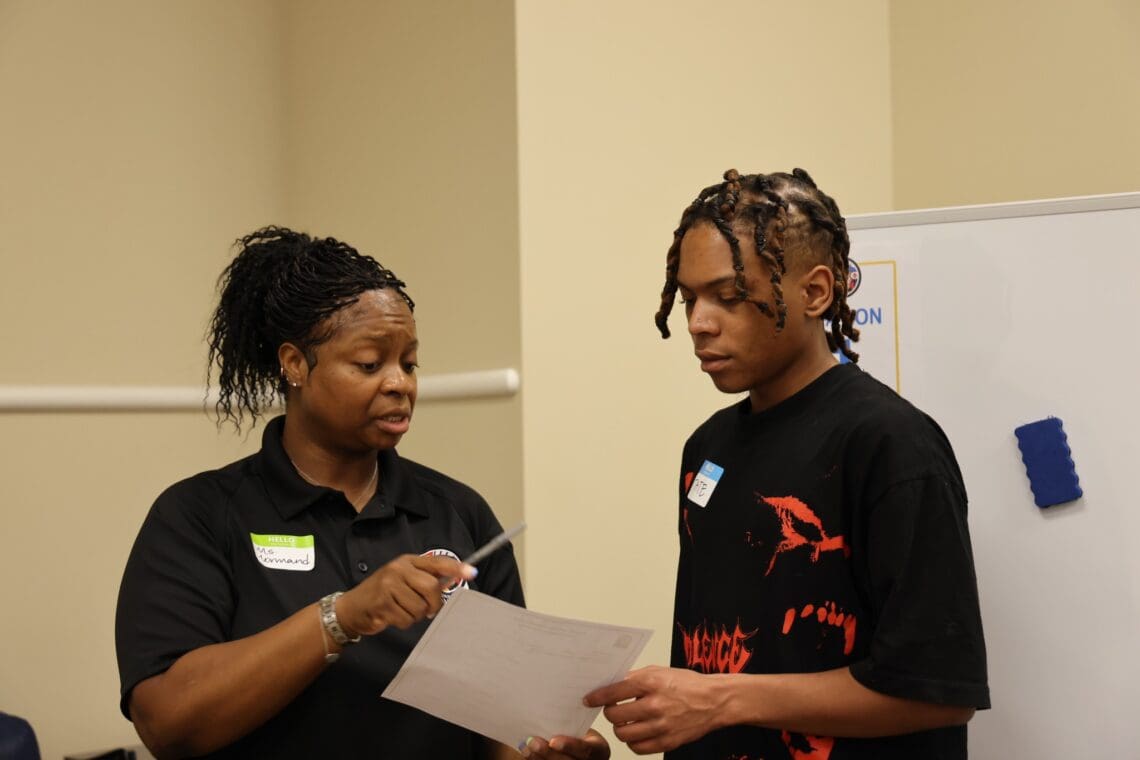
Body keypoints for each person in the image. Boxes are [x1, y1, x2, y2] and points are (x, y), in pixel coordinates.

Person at [115, 226, 605, 759]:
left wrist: (547, 750)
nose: (400, 384)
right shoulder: (200, 516)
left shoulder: (458, 513)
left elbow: (502, 729)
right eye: (370, 364)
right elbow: (167, 723)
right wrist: (341, 617)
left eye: (410, 364)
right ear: (296, 364)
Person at [585, 170, 990, 758]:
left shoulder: (890, 444)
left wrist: (720, 700)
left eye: (727, 297)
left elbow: (939, 693)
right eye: (689, 296)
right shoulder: (707, 448)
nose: (698, 322)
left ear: (816, 292)